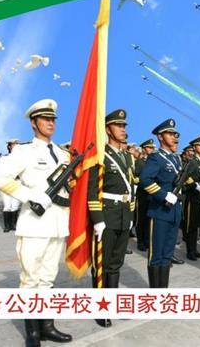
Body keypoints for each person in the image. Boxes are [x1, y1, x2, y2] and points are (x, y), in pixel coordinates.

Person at [0, 98, 72, 346]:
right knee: (30, 280)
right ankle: (33, 333)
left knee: (48, 278)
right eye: (45, 119)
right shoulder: (24, 151)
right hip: (35, 224)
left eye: (53, 119)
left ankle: (47, 326)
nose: (50, 123)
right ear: (33, 123)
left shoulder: (63, 154)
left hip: (58, 223)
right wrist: (30, 196)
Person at [87, 109, 134, 328]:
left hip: (123, 214)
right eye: (118, 126)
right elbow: (92, 189)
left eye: (124, 126)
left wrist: (130, 214)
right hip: (106, 214)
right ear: (108, 129)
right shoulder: (100, 155)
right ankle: (100, 308)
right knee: (102, 263)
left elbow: (130, 187)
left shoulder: (127, 156)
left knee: (116, 263)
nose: (123, 130)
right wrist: (97, 218)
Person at [140, 118, 182, 288]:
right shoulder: (155, 158)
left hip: (174, 211)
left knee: (167, 253)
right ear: (160, 136)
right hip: (160, 211)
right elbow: (145, 180)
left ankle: (163, 290)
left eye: (174, 134)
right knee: (156, 254)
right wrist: (164, 195)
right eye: (169, 134)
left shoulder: (176, 159)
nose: (173, 137)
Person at [181, 136, 200, 261]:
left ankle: (194, 249)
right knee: (190, 225)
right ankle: (190, 251)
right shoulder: (192, 161)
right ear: (195, 147)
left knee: (196, 225)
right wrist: (194, 185)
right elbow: (185, 176)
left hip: (199, 197)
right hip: (191, 197)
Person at [135, 139, 155, 251]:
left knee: (148, 219)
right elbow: (136, 177)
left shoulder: (153, 162)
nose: (151, 149)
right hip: (142, 194)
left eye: (152, 148)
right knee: (141, 219)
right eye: (149, 147)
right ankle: (140, 241)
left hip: (151, 194)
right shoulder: (140, 162)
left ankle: (147, 239)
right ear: (144, 149)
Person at [0, 139, 21, 232]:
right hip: (7, 182)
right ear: (9, 146)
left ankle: (13, 224)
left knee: (15, 205)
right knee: (7, 205)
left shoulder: (22, 158)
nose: (16, 146)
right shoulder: (4, 158)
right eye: (13, 145)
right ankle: (7, 226)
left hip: (17, 182)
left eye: (17, 145)